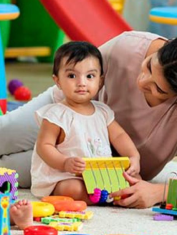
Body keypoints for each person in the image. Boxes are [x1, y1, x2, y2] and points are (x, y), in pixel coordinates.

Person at [0, 32, 177, 208]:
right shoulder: (127, 47)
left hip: (101, 167)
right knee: (5, 132)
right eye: (148, 66)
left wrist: (159, 192)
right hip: (67, 109)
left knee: (11, 170)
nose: (142, 82)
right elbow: (78, 76)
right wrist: (59, 120)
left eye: (159, 90)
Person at [31, 42, 141, 202]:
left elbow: (119, 136)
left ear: (100, 81)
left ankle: (106, 194)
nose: (81, 83)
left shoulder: (103, 112)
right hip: (66, 175)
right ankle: (105, 197)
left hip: (98, 173)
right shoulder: (56, 115)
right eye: (72, 76)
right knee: (72, 189)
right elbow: (44, 146)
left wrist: (133, 156)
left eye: (89, 76)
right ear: (58, 81)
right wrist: (65, 163)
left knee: (135, 178)